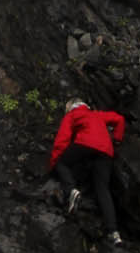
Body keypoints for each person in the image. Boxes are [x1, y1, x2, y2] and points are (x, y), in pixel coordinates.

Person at [49, 97, 126, 244]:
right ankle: (114, 232)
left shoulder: (72, 115)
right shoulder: (97, 115)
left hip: (85, 144)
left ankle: (71, 190)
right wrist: (117, 139)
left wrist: (54, 163)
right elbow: (119, 119)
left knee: (62, 163)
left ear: (71, 107)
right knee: (103, 189)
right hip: (105, 151)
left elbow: (62, 139)